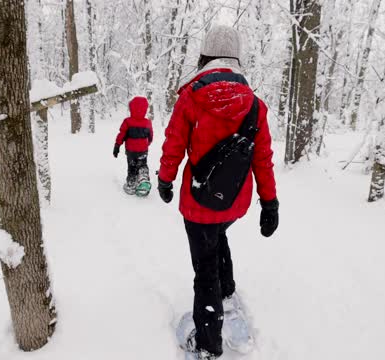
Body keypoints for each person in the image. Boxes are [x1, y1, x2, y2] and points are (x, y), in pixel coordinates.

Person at [157, 25, 279, 359]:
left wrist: (165, 180)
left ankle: (209, 344)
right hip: (234, 202)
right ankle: (227, 289)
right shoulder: (255, 105)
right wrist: (269, 202)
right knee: (218, 235)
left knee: (204, 267)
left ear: (205, 55)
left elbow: (174, 145)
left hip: (197, 203)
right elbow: (263, 159)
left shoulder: (190, 97)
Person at [114, 96, 153, 195]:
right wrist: (146, 144)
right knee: (142, 165)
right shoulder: (147, 122)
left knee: (132, 167)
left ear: (131, 108)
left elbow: (121, 134)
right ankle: (143, 178)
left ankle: (131, 185)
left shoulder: (127, 122)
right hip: (143, 150)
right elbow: (151, 136)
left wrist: (117, 145)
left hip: (131, 151)